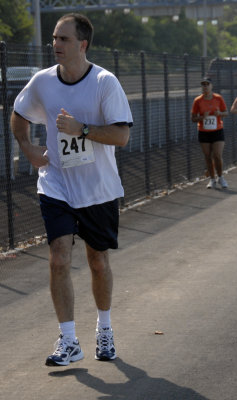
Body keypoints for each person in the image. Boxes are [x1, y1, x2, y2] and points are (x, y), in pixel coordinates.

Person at [10, 13, 133, 366]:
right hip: (56, 184)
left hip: (98, 189)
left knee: (97, 260)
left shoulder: (105, 83)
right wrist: (29, 148)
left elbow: (122, 136)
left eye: (63, 39)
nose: (55, 45)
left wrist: (81, 129)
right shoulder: (42, 81)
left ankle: (105, 329)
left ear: (83, 44)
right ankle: (68, 340)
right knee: (59, 257)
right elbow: (18, 113)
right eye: (53, 38)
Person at [191, 77, 229, 189]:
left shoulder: (218, 98)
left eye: (207, 84)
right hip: (204, 131)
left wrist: (219, 113)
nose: (205, 86)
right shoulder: (198, 100)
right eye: (203, 85)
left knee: (217, 155)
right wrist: (203, 117)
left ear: (211, 86)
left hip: (217, 130)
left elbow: (226, 112)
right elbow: (193, 118)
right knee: (207, 156)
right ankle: (212, 179)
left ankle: (221, 177)